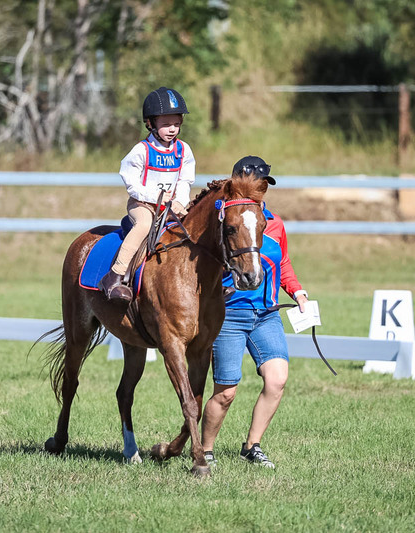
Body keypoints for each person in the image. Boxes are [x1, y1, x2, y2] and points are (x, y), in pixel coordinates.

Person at [201, 155, 308, 469]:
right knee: (226, 392)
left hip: (266, 315)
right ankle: (205, 449)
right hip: (229, 316)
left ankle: (252, 445)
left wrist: (296, 290)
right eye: (255, 180)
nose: (260, 187)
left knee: (276, 381)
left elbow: (283, 263)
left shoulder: (271, 223)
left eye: (264, 183)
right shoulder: (223, 222)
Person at [100, 86, 196, 302]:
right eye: (166, 124)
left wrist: (180, 201)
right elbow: (130, 181)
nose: (172, 129)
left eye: (176, 124)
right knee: (144, 225)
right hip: (142, 204)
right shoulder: (141, 150)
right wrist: (157, 198)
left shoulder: (184, 150)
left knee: (195, 225)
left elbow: (185, 179)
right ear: (150, 123)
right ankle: (115, 276)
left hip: (172, 204)